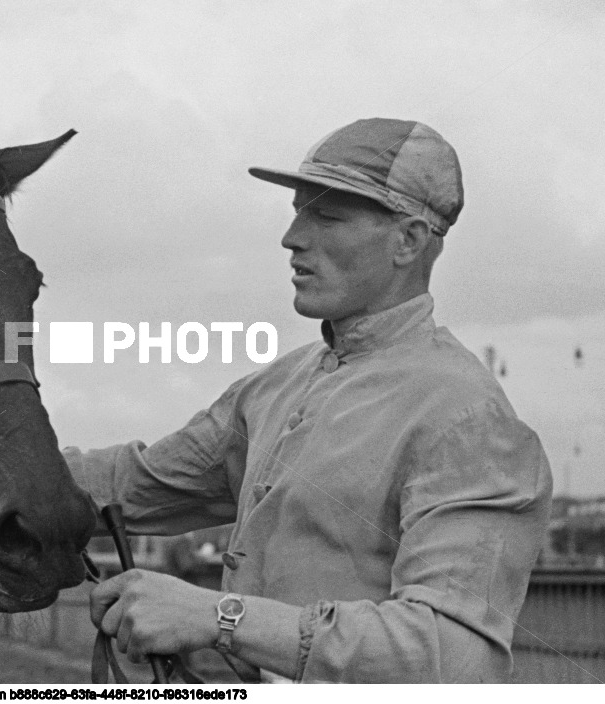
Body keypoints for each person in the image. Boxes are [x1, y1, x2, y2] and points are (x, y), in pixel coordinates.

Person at [64, 118, 552, 683]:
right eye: (298, 211)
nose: (292, 236)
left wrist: (219, 619)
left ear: (409, 241)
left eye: (326, 215)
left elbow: (454, 659)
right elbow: (132, 485)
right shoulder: (276, 385)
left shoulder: (469, 419)